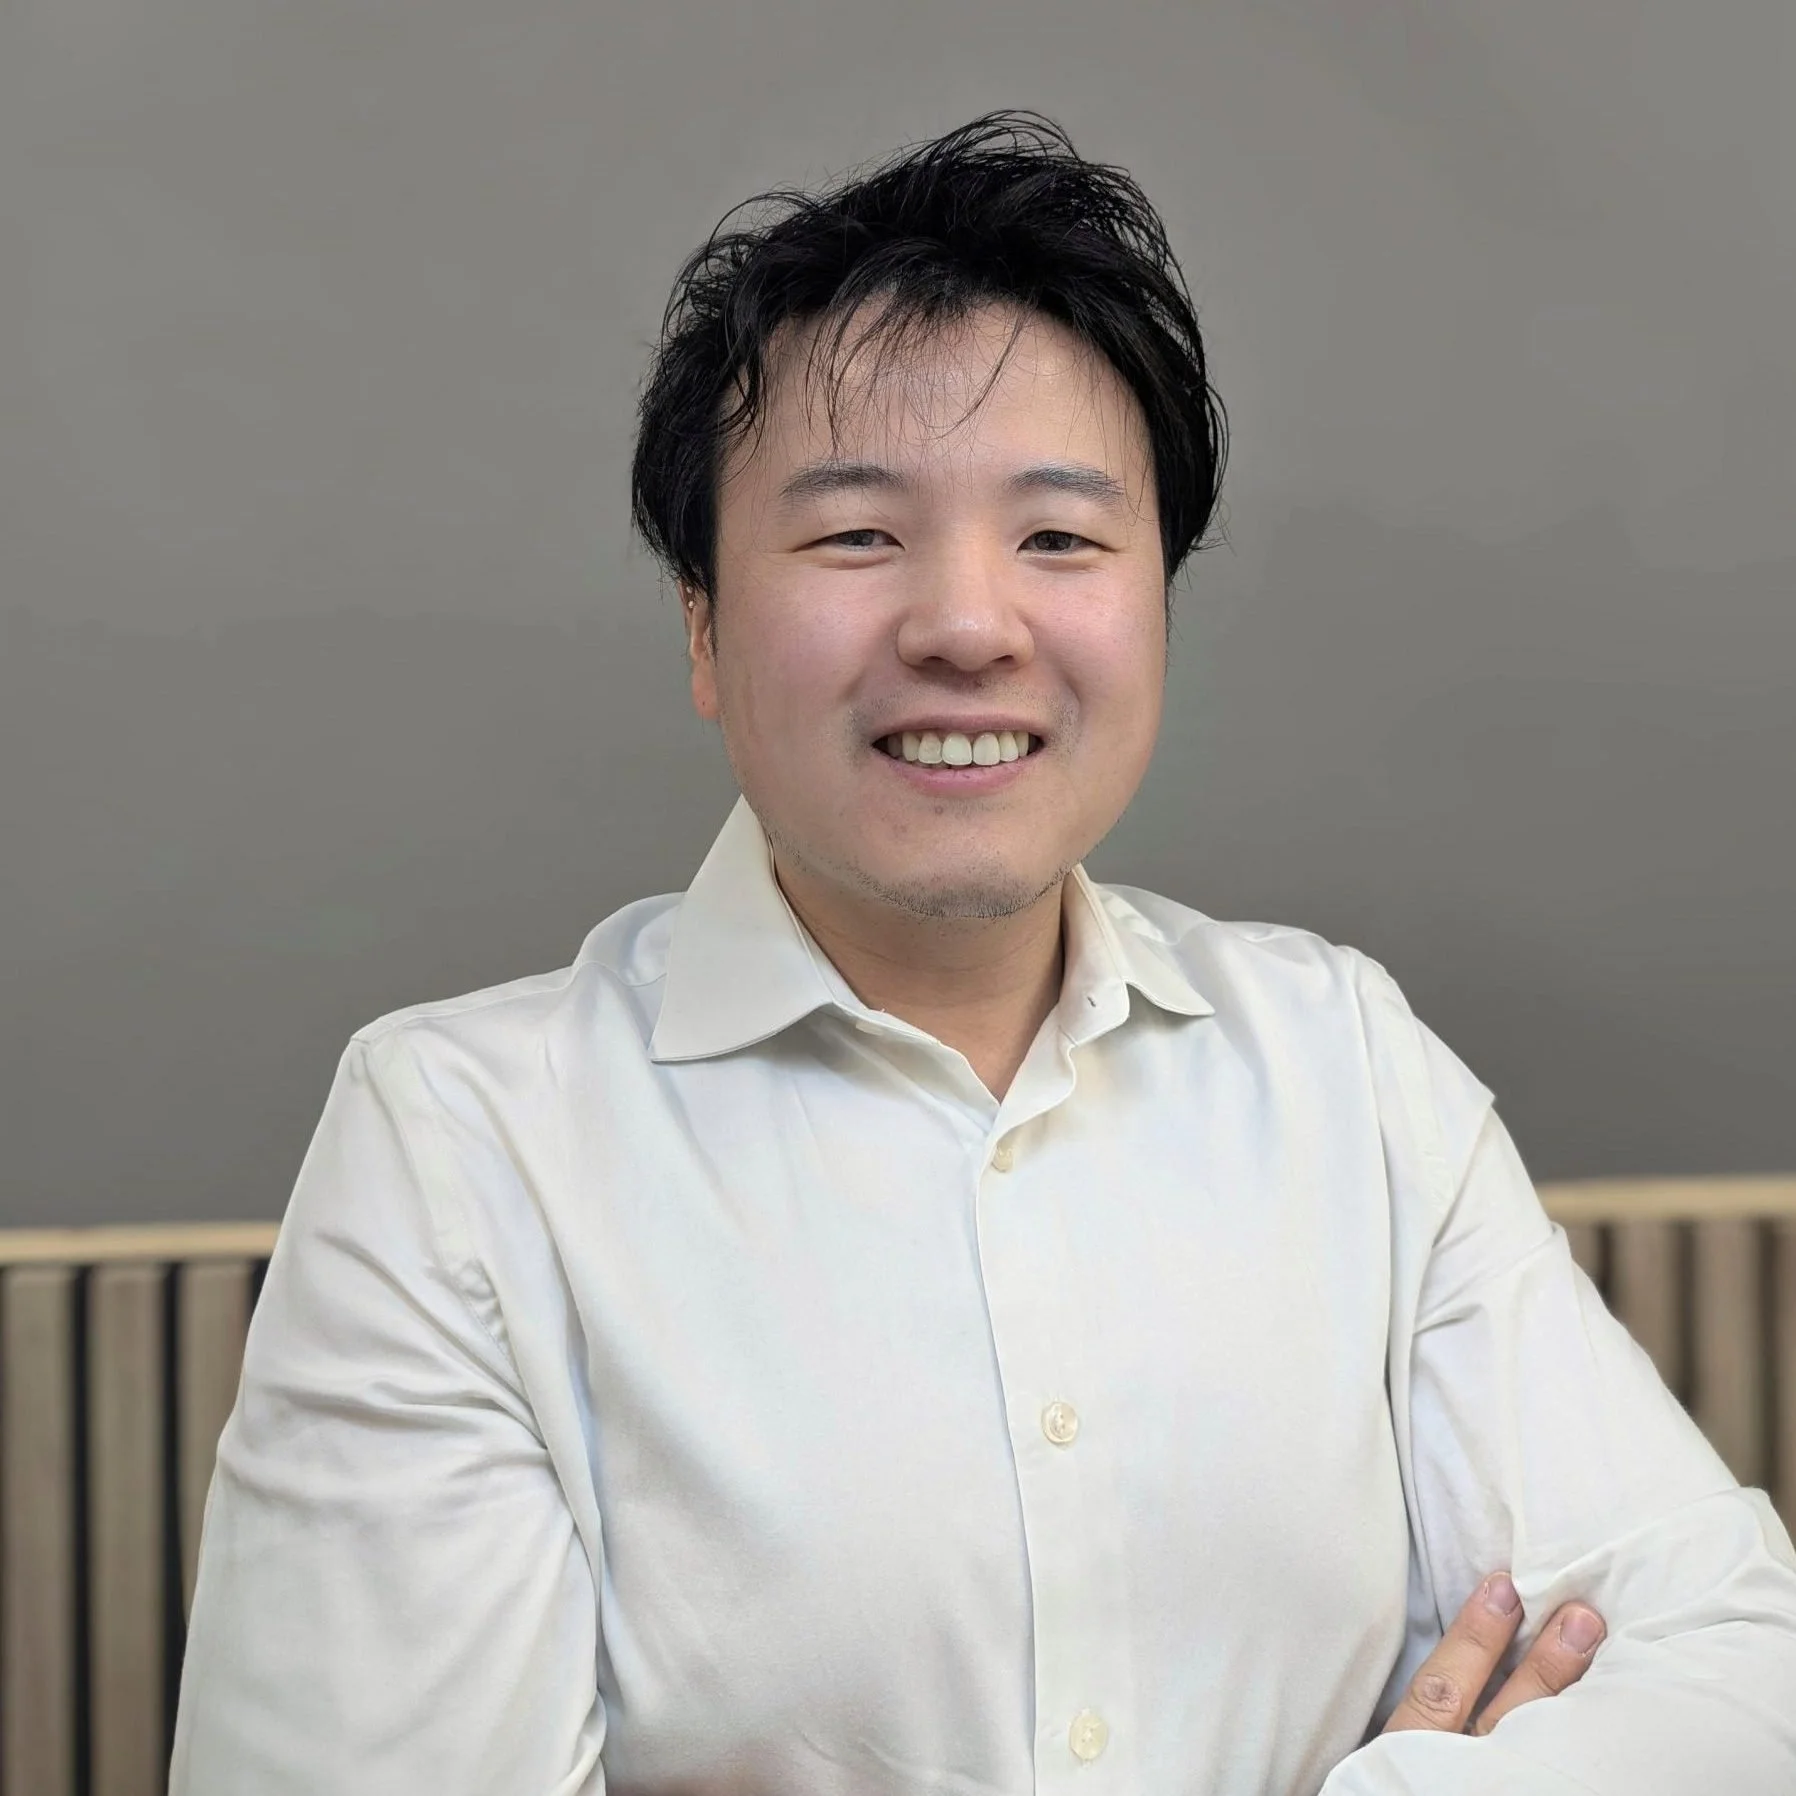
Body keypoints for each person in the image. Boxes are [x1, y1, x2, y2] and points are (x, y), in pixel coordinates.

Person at [169, 113, 1796, 1794]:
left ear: (1157, 602)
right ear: (704, 626)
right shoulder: (462, 1145)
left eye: (1062, 538)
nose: (965, 623)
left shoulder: (1345, 1065)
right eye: (857, 534)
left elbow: (1739, 1671)